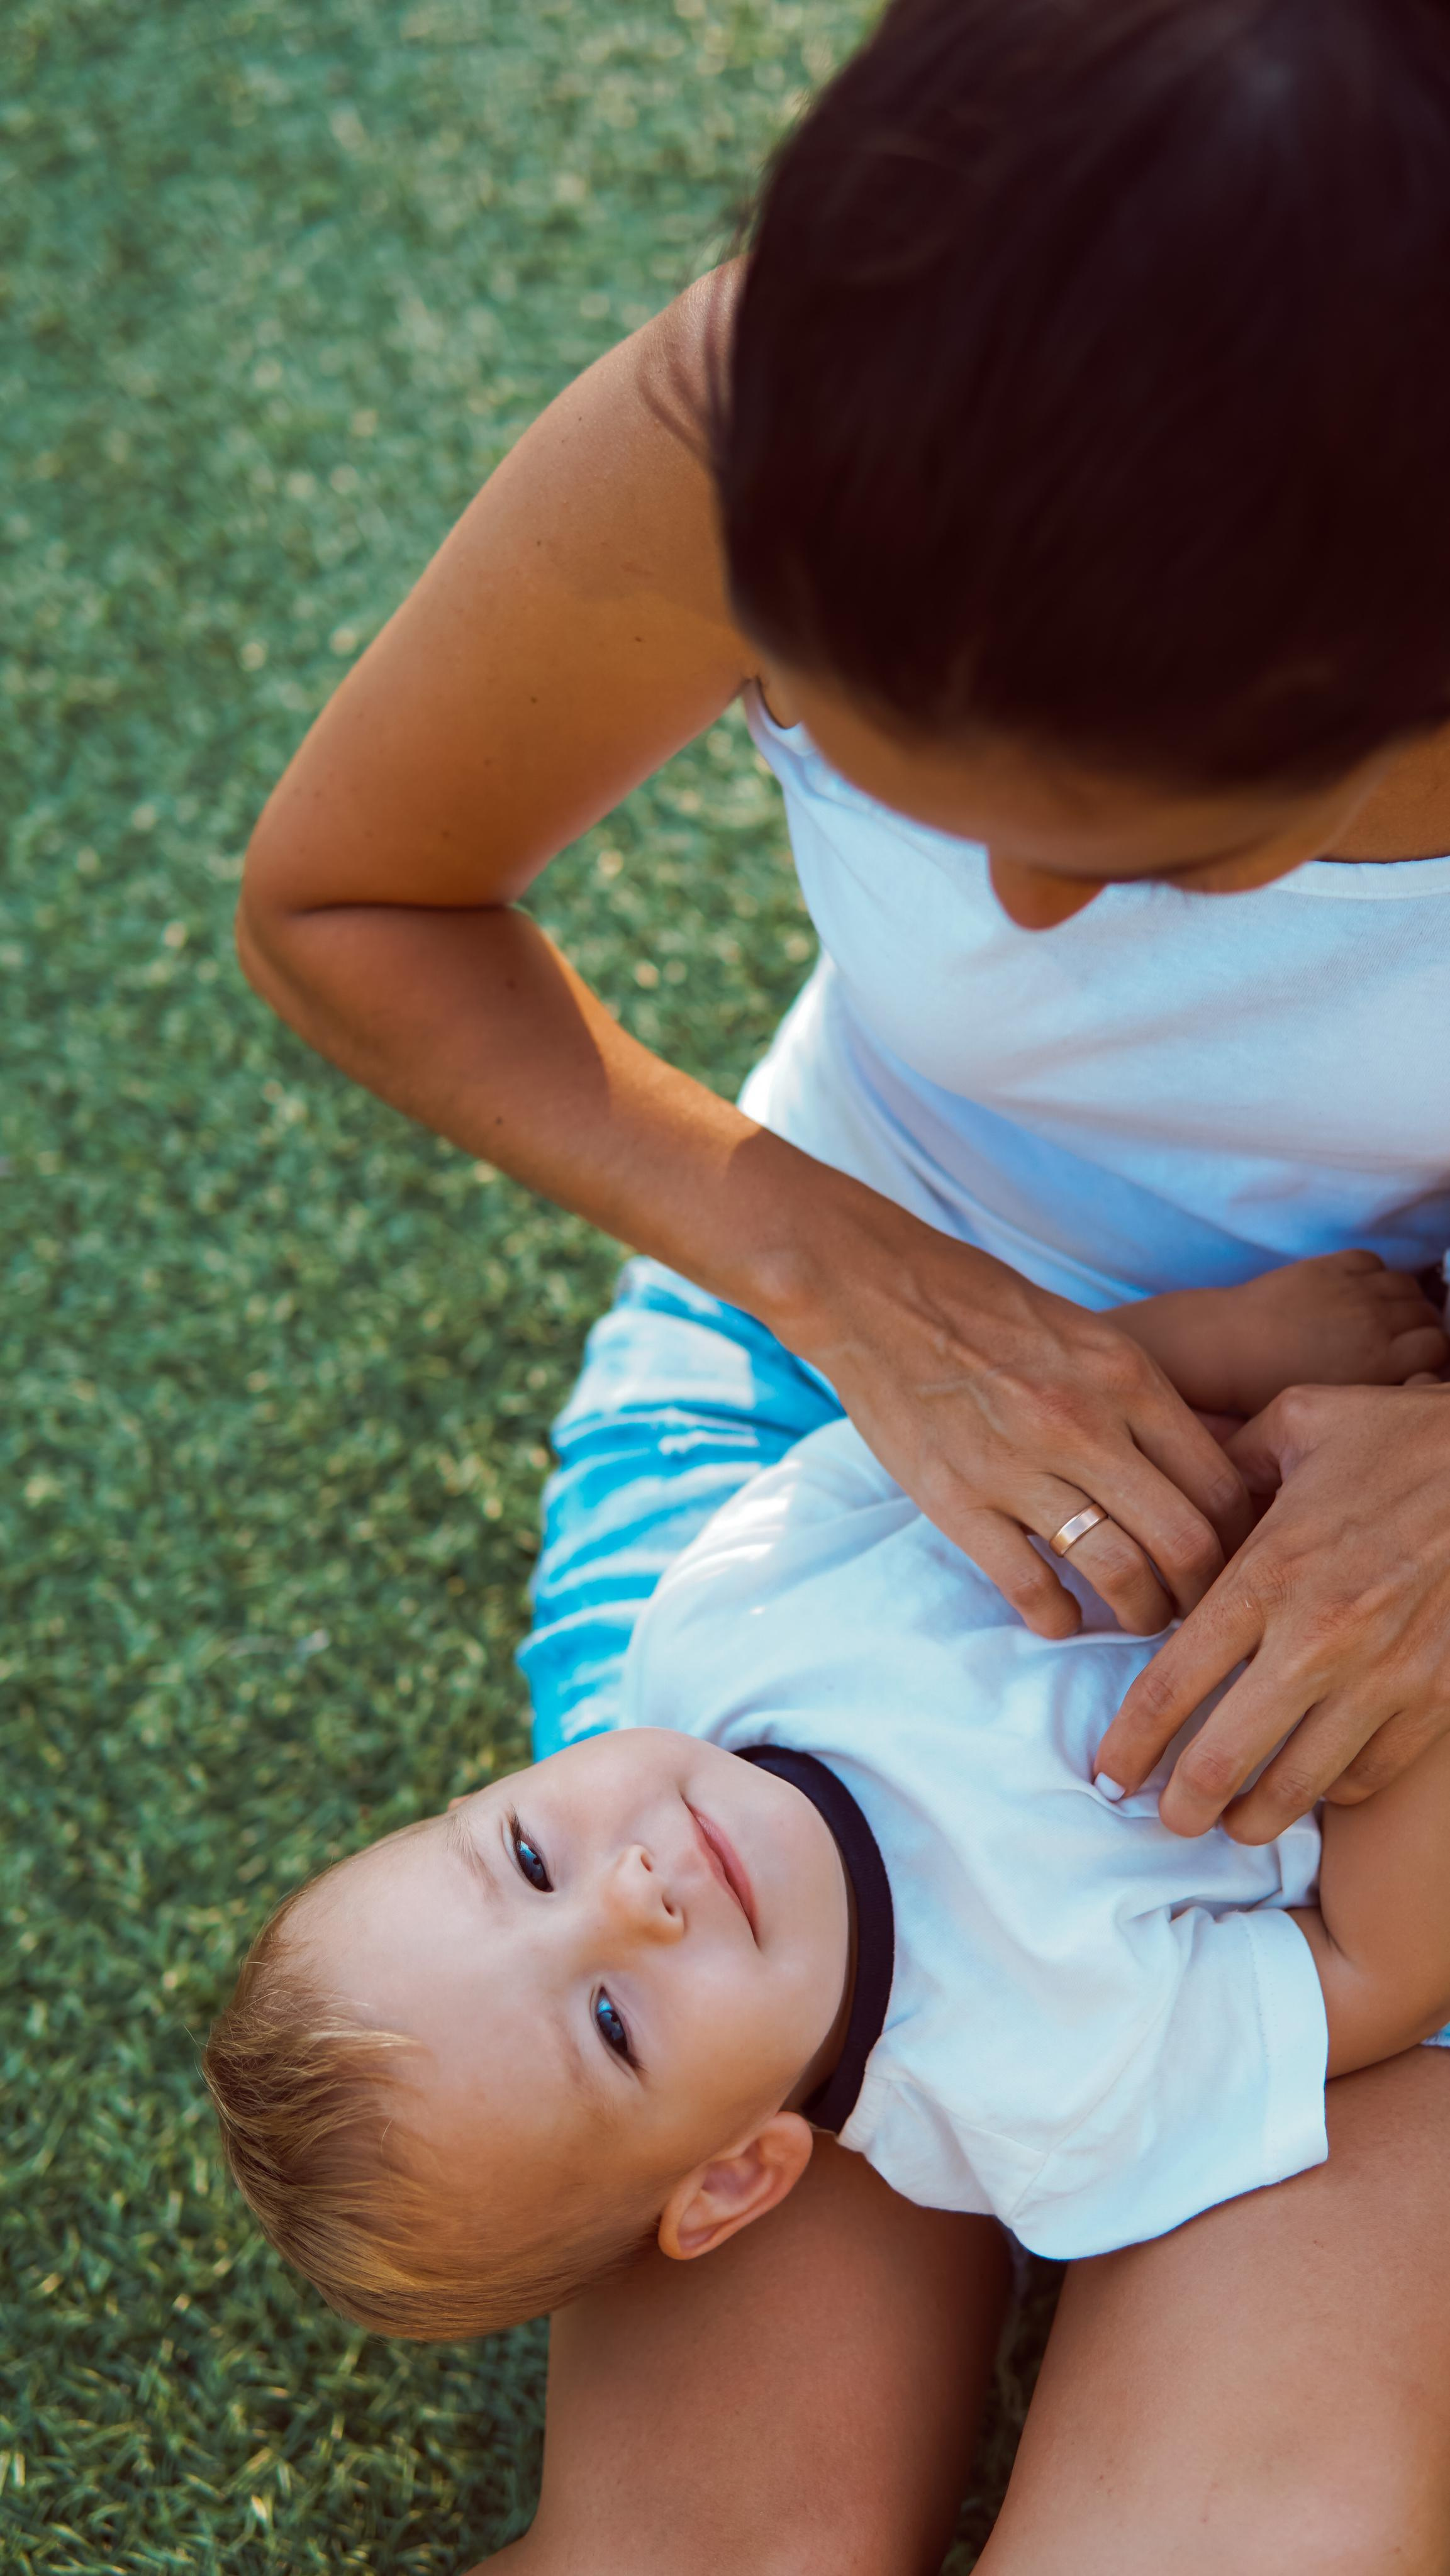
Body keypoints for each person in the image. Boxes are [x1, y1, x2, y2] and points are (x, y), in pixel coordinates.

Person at [237, 1, 1450, 2562]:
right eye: (863, 754)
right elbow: (353, 897)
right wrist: (856, 1278)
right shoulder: (807, 384)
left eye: (1157, 852)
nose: (1015, 913)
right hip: (839, 1457)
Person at [202, 1265, 1450, 2341]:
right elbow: (1366, 1963)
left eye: (531, 1858)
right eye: (611, 2022)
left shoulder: (718, 1618)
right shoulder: (1032, 2093)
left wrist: (1228, 1338)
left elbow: (985, 1426)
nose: (630, 1893)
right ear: (735, 2175)